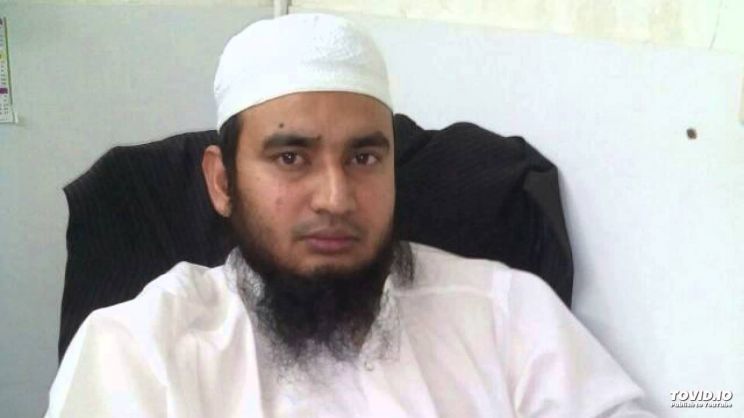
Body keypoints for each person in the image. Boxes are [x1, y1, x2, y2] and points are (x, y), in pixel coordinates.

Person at [45, 13, 655, 417]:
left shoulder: (504, 314)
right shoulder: (141, 350)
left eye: (364, 157)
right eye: (291, 157)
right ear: (222, 182)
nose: (336, 197)